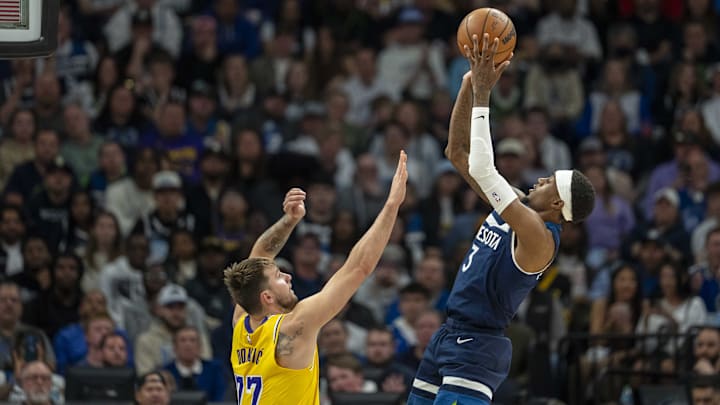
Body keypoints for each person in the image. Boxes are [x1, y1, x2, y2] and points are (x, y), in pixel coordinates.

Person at [407, 34, 596, 405]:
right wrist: (467, 82)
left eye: (548, 181)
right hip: (449, 333)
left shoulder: (538, 237)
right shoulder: (520, 205)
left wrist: (483, 93)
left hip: (478, 346)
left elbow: (482, 165)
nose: (539, 179)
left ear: (557, 203)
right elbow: (458, 154)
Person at [224, 152, 407, 404]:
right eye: (278, 276)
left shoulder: (241, 322)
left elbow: (262, 253)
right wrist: (391, 206)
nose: (288, 276)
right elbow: (358, 268)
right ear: (266, 297)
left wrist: (290, 220)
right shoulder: (293, 327)